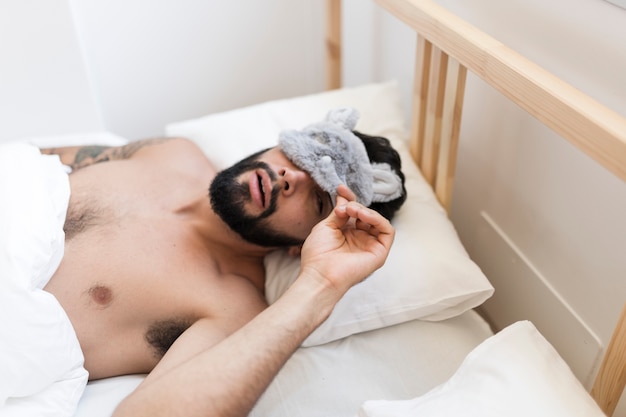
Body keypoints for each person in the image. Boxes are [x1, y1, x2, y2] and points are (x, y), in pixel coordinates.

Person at [39, 108, 406, 416]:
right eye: (299, 156)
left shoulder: (231, 308)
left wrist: (323, 284)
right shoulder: (171, 153)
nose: (290, 176)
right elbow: (31, 160)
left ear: (309, 239)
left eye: (318, 201)